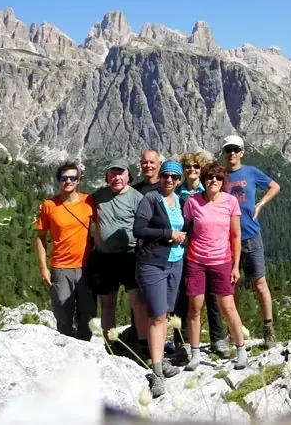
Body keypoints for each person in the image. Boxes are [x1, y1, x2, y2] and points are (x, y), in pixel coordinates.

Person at [182, 162, 248, 371]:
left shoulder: (231, 202)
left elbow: (236, 235)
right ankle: (194, 354)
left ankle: (241, 350)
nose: (214, 181)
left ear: (223, 182)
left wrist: (236, 266)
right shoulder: (192, 202)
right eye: (210, 177)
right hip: (196, 262)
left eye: (218, 178)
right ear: (203, 180)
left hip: (222, 262)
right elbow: (184, 228)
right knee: (195, 308)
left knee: (228, 307)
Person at [133, 159, 187, 397]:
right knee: (156, 317)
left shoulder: (180, 201)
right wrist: (169, 234)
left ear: (178, 181)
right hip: (153, 263)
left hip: (175, 262)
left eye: (174, 177)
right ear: (160, 177)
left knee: (164, 314)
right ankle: (156, 372)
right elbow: (139, 229)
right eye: (165, 175)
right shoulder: (151, 199)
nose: (168, 180)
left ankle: (160, 359)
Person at [221, 134, 281, 348]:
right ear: (224, 153)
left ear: (242, 152)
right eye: (228, 150)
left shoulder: (252, 172)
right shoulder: (219, 176)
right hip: (227, 241)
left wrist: (261, 204)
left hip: (251, 236)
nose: (232, 153)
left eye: (236, 149)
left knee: (260, 284)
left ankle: (268, 329)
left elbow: (275, 186)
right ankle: (232, 332)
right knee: (231, 287)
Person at [89, 159, 152, 358]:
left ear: (128, 176)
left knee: (137, 302)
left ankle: (143, 344)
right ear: (107, 177)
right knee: (107, 303)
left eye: (120, 173)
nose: (116, 177)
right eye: (112, 174)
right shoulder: (98, 196)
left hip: (130, 256)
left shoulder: (137, 197)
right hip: (104, 257)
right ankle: (110, 345)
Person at [172, 151, 230, 361]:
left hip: (208, 252)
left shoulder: (209, 191)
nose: (192, 170)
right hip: (182, 251)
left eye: (196, 167)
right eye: (188, 167)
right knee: (185, 297)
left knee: (212, 297)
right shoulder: (177, 192)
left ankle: (217, 338)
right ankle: (182, 341)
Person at [34, 162, 96, 340]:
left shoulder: (89, 201)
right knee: (62, 312)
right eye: (64, 178)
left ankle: (84, 350)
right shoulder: (49, 205)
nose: (68, 181)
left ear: (78, 180)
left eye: (72, 178)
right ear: (59, 181)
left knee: (87, 315)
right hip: (60, 267)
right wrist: (43, 268)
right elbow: (40, 237)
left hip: (86, 267)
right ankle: (65, 347)